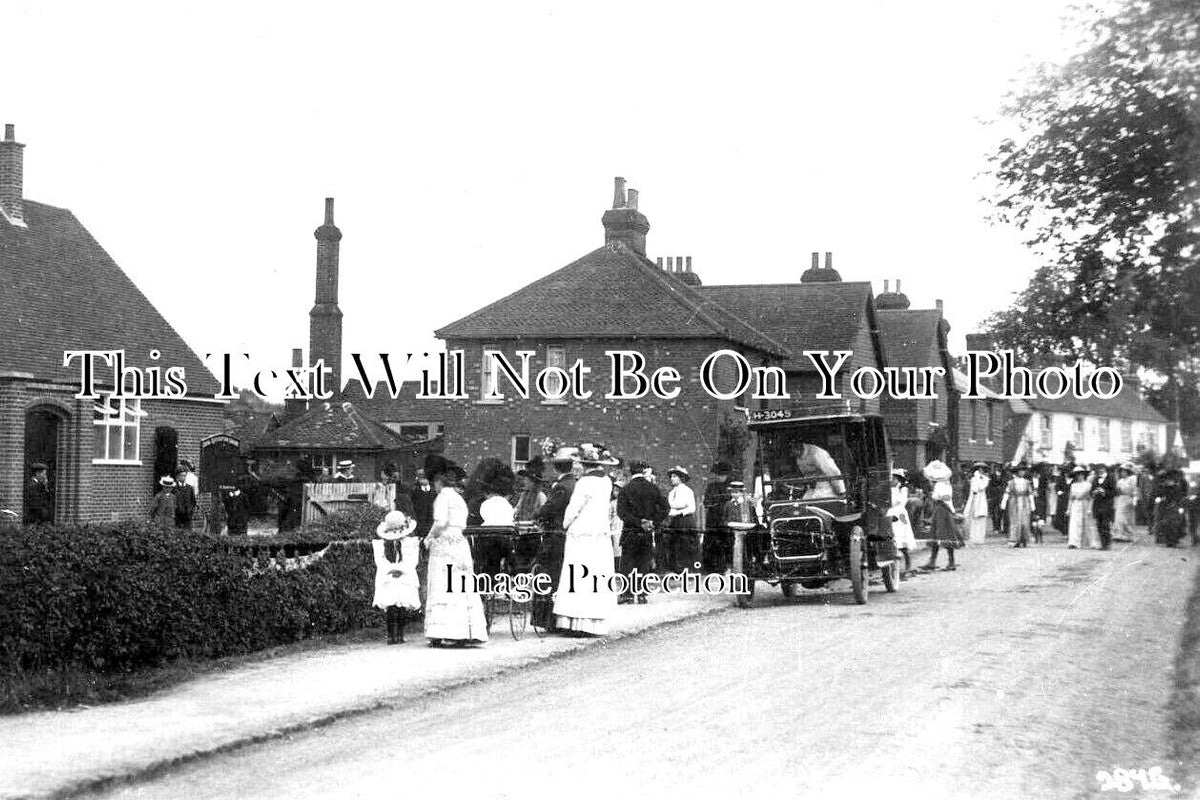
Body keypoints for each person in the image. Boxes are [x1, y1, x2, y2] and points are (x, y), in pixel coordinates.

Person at [554, 443, 621, 635]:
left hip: (581, 533)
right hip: (599, 533)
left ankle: (574, 622)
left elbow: (574, 508)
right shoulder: (606, 482)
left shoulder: (584, 483)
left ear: (585, 464)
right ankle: (592, 623)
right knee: (595, 574)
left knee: (577, 574)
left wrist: (565, 524)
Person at [422, 455, 487, 646]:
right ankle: (465, 630)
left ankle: (447, 631)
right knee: (460, 584)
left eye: (434, 482)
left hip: (445, 545)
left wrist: (429, 538)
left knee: (443, 584)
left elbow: (440, 522)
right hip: (460, 543)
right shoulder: (458, 498)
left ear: (438, 481)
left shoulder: (442, 497)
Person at [532, 448, 580, 629]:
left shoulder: (561, 486)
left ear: (556, 468)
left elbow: (550, 508)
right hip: (569, 535)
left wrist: (537, 515)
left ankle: (548, 620)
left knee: (549, 574)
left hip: (555, 535)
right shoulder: (575, 484)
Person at [616, 460, 669, 602]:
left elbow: (621, 513)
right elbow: (665, 508)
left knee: (628, 562)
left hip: (630, 531)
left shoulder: (625, 489)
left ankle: (627, 594)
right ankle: (641, 595)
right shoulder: (653, 488)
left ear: (630, 472)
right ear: (644, 471)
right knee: (643, 562)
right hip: (647, 532)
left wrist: (639, 522)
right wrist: (653, 521)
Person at [372, 509, 420, 645]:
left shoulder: (409, 543)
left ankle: (398, 635)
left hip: (402, 575)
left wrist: (400, 570)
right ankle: (392, 635)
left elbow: (411, 560)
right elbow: (380, 561)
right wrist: (393, 571)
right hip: (389, 576)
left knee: (401, 604)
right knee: (392, 605)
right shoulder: (381, 544)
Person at [918, 460, 963, 571]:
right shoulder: (942, 484)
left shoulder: (942, 485)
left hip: (943, 510)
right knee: (938, 535)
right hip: (940, 510)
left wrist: (936, 496)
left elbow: (945, 497)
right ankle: (933, 561)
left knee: (944, 535)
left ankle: (950, 562)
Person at [663, 466, 699, 574]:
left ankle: (686, 570)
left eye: (675, 476)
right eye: (671, 477)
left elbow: (692, 508)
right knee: (674, 545)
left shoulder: (687, 491)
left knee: (685, 545)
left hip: (685, 521)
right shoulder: (671, 492)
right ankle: (676, 570)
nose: (672, 479)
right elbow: (670, 507)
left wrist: (678, 512)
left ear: (681, 478)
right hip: (674, 521)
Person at [701, 461, 734, 574]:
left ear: (727, 475)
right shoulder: (711, 486)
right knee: (711, 542)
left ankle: (725, 566)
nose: (720, 477)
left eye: (723, 475)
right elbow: (707, 502)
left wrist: (721, 499)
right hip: (713, 518)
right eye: (718, 475)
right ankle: (710, 567)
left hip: (726, 519)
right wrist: (716, 500)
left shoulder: (731, 487)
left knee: (726, 543)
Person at [888, 469, 917, 576]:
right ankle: (893, 567)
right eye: (892, 478)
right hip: (890, 513)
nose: (893, 480)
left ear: (899, 479)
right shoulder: (890, 489)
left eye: (895, 478)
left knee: (902, 538)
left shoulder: (902, 489)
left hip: (900, 514)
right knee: (893, 538)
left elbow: (901, 502)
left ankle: (908, 565)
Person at [1152, 465, 1189, 548]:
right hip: (1165, 507)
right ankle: (1167, 540)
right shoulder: (1163, 487)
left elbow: (1181, 496)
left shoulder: (1177, 486)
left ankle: (1173, 541)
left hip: (1174, 507)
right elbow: (1158, 495)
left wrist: (1179, 505)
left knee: (1174, 524)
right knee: (1165, 523)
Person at [1002, 463, 1034, 547]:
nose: (1022, 472)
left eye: (1023, 471)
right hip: (1014, 502)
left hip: (1024, 502)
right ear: (1016, 472)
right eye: (1020, 471)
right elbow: (1007, 492)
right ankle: (1014, 539)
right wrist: (1003, 502)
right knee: (1014, 520)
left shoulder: (1027, 482)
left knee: (1024, 521)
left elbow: (1030, 493)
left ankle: (1023, 539)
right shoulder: (1011, 482)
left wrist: (1032, 504)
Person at [1066, 465, 1094, 549]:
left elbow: (1090, 498)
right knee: (1074, 523)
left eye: (1080, 474)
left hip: (1084, 503)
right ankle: (1074, 542)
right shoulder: (1073, 485)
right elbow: (1071, 498)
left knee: (1085, 523)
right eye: (1077, 475)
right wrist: (1068, 509)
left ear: (1083, 475)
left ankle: (1086, 542)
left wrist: (1090, 508)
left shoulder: (1088, 485)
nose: (1079, 476)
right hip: (1076, 504)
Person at [964, 463, 991, 544]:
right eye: (978, 469)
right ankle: (973, 537)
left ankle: (980, 538)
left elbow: (981, 487)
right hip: (974, 498)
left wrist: (979, 478)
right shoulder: (973, 479)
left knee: (981, 517)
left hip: (981, 499)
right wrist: (976, 478)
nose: (980, 470)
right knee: (973, 518)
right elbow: (974, 489)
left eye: (981, 469)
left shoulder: (985, 479)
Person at [514, 456, 547, 523]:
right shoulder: (524, 495)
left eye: (527, 480)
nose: (524, 482)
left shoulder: (540, 496)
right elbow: (517, 509)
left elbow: (543, 514)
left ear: (533, 482)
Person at [1091, 464, 1116, 550]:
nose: (1100, 470)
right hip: (1097, 504)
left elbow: (1114, 492)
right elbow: (1091, 491)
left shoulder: (1111, 478)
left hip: (1107, 505)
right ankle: (1102, 543)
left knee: (1105, 524)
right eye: (1098, 469)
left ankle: (1107, 544)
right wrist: (1094, 492)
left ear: (1105, 469)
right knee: (1099, 524)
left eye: (1102, 469)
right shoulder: (1095, 479)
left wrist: (1104, 492)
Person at [1112, 464, 1138, 542]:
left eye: (1125, 472)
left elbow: (1135, 491)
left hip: (1128, 499)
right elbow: (1117, 491)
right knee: (1118, 517)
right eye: (1122, 472)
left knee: (1127, 518)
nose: (1123, 473)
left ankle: (1128, 535)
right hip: (1120, 499)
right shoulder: (1120, 481)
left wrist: (1134, 500)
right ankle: (1119, 534)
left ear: (1128, 473)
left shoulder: (1131, 480)